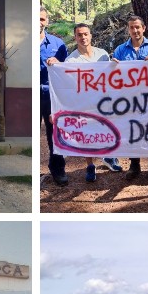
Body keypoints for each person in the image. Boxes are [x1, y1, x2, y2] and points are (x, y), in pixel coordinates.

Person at [58, 24, 119, 179]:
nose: (83, 37)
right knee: (86, 133)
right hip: (84, 102)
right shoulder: (71, 60)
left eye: (86, 34)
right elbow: (68, 82)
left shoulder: (103, 54)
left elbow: (111, 76)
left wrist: (117, 66)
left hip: (103, 100)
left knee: (107, 129)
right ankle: (90, 165)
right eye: (79, 35)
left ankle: (109, 157)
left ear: (91, 35)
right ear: (75, 37)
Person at [111, 14, 148, 180]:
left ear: (143, 28)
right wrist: (113, 66)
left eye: (137, 27)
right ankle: (134, 165)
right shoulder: (120, 49)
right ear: (129, 30)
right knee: (132, 130)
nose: (135, 30)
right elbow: (113, 74)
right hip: (129, 99)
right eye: (132, 28)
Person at [39, 7, 68, 186]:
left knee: (54, 134)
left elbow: (68, 69)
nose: (39, 22)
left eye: (42, 19)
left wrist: (58, 63)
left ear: (47, 21)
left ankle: (58, 169)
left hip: (52, 96)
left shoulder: (59, 44)